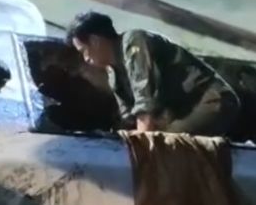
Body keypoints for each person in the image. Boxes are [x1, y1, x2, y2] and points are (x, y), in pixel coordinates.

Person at [66, 11, 240, 136]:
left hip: (211, 99)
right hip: (182, 110)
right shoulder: (113, 73)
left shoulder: (134, 42)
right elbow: (128, 119)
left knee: (166, 144)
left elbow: (144, 95)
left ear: (95, 41)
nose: (85, 58)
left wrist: (143, 138)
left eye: (84, 50)